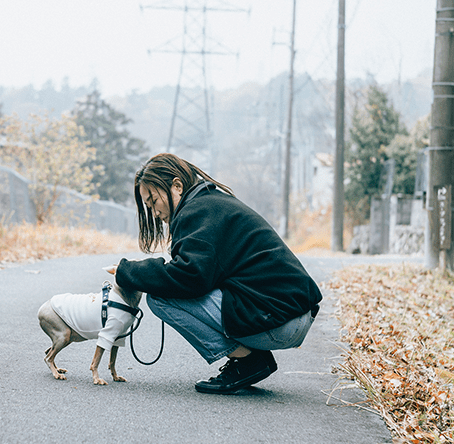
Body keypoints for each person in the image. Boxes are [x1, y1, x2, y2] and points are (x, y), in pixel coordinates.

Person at [112, 153, 322, 394]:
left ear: (177, 186)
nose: (155, 212)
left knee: (160, 298)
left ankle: (248, 361)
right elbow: (199, 273)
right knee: (173, 287)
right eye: (148, 206)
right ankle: (249, 359)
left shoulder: (198, 211)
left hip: (280, 321)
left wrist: (127, 271)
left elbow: (189, 277)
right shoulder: (209, 204)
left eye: (154, 200)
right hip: (289, 314)